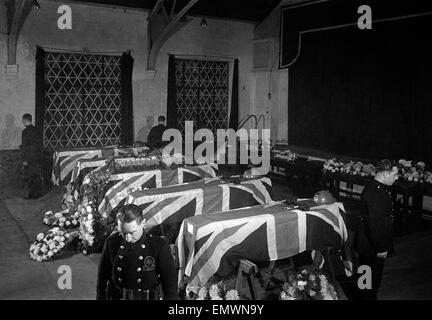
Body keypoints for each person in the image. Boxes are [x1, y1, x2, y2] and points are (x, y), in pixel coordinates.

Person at [96, 204, 178, 300]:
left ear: (143, 223)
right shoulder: (112, 243)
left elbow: (170, 283)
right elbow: (102, 278)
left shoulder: (157, 246)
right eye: (123, 233)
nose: (127, 238)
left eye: (132, 233)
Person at [358, 159, 397, 300]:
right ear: (385, 174)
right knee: (369, 281)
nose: (396, 178)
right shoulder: (375, 193)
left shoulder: (376, 188)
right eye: (394, 175)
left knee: (369, 280)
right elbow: (375, 224)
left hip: (370, 244)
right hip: (372, 246)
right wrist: (381, 248)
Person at [20, 113, 43, 199]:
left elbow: (25, 146)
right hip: (37, 157)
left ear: (25, 120)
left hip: (29, 158)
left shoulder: (25, 132)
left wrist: (24, 159)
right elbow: (39, 144)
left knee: (31, 177)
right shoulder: (37, 130)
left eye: (23, 120)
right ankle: (38, 193)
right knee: (37, 175)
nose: (22, 122)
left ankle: (32, 195)